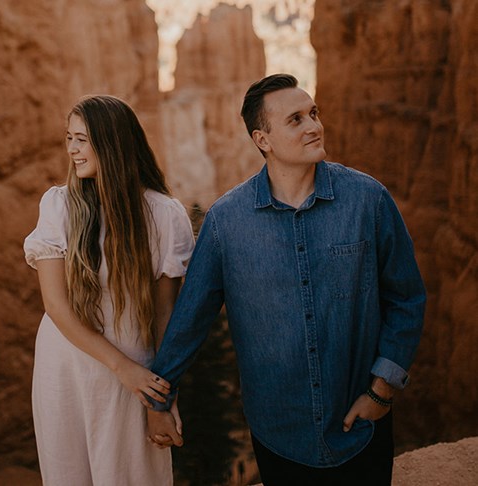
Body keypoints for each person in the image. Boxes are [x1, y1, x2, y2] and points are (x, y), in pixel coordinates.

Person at [146, 74, 426, 486]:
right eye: (296, 119)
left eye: (313, 113)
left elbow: (407, 298)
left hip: (362, 428)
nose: (314, 126)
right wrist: (160, 398)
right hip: (278, 437)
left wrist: (381, 392)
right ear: (263, 139)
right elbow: (191, 319)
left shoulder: (368, 200)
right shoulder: (226, 222)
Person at [23, 95, 194, 485]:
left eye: (81, 139)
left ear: (111, 141)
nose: (71, 150)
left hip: (136, 374)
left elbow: (165, 315)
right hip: (64, 370)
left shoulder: (165, 215)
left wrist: (162, 400)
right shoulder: (59, 207)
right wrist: (125, 369)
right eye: (69, 138)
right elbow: (56, 306)